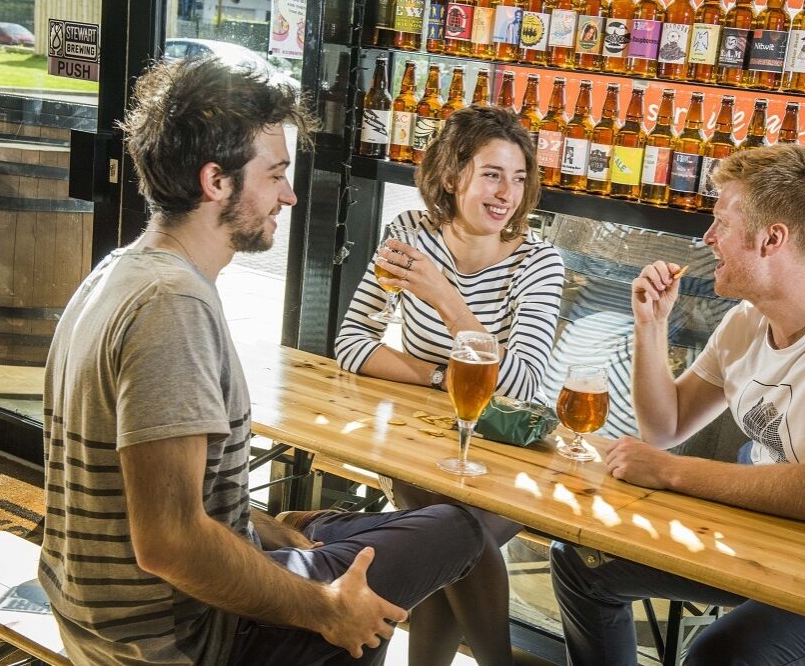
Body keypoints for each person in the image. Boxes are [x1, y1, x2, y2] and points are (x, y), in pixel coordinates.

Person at [39, 56, 485, 666]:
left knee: (356, 554)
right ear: (216, 182)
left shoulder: (120, 271)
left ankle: (312, 540)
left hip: (95, 619)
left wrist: (286, 543)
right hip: (180, 642)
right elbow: (169, 543)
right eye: (275, 174)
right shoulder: (173, 306)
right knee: (457, 531)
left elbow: (171, 501)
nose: (290, 194)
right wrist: (327, 608)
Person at [550, 144, 805, 666]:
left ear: (771, 239)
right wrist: (651, 326)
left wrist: (670, 473)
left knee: (722, 655)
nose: (707, 239)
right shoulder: (746, 322)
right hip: (770, 536)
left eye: (720, 223)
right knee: (581, 562)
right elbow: (665, 426)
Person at [335, 104, 565, 666]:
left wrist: (446, 299)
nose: (506, 192)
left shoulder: (539, 262)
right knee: (437, 531)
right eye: (492, 174)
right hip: (427, 438)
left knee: (446, 533)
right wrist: (445, 379)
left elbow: (518, 382)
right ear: (450, 176)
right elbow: (352, 344)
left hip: (511, 452)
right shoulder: (409, 235)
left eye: (518, 178)